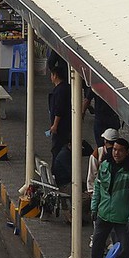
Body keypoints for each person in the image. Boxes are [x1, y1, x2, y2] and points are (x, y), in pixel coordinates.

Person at [91, 135, 129, 258]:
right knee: (97, 244)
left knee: (123, 248)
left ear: (126, 152)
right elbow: (97, 187)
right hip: (103, 213)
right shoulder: (105, 165)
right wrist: (94, 208)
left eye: (120, 150)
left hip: (122, 218)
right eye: (115, 149)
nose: (116, 153)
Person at [48, 58, 72, 187]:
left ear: (55, 75)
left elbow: (58, 109)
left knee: (57, 150)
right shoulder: (67, 88)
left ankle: (57, 175)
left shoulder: (59, 91)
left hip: (61, 127)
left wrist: (55, 125)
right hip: (67, 126)